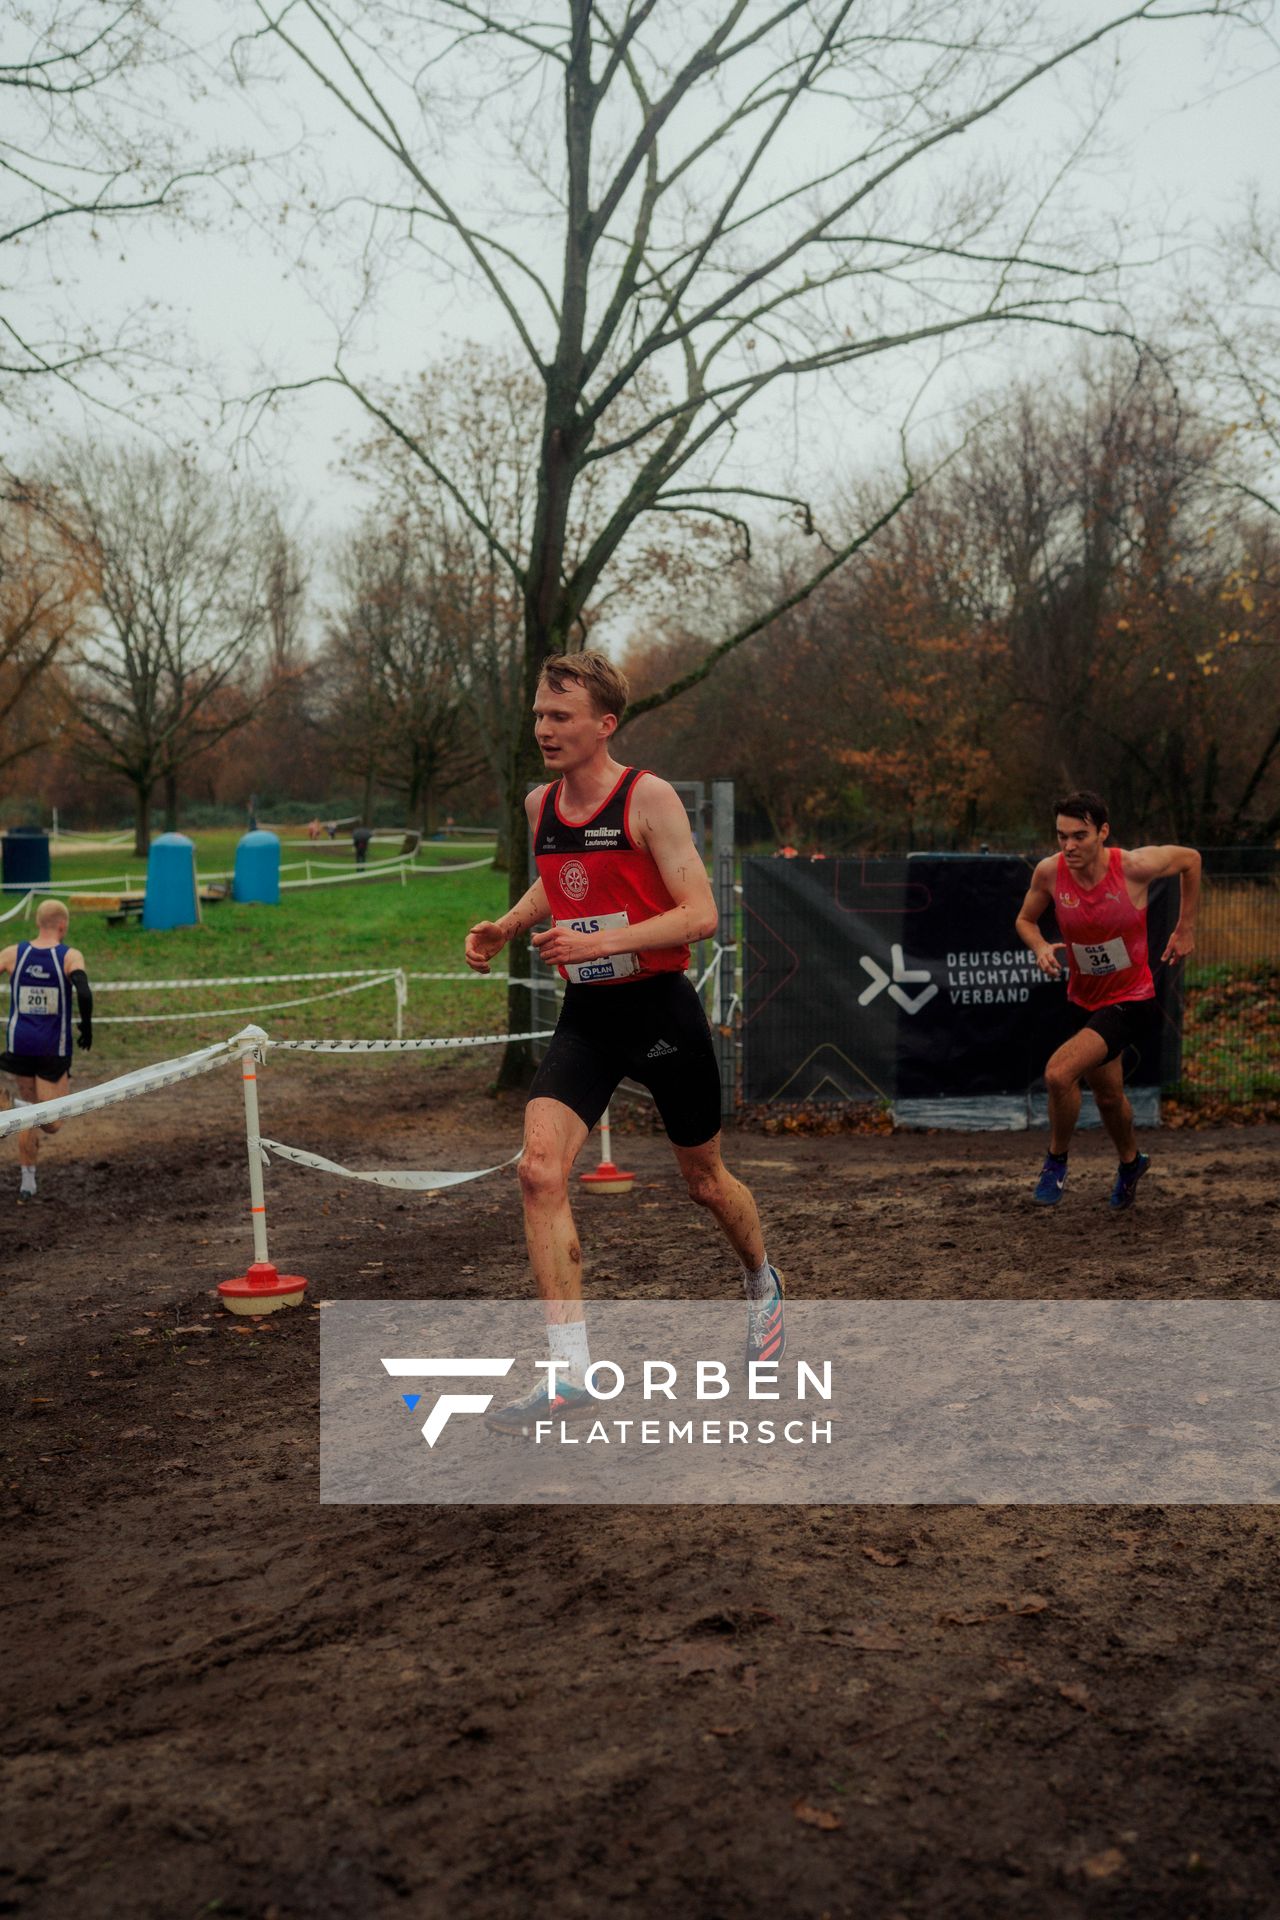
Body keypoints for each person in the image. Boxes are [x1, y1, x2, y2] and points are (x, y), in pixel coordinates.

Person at [464, 651, 784, 1435]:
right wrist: (510, 924)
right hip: (591, 1016)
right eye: (539, 714)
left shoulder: (650, 797)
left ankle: (763, 1283)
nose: (544, 727)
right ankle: (570, 1374)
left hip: (660, 1009)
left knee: (706, 1183)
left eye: (560, 716)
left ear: (604, 725)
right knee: (539, 1170)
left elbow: (701, 914)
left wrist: (600, 943)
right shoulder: (541, 804)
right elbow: (563, 879)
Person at [1015, 790, 1199, 1210]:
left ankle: (1056, 1161)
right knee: (1109, 1097)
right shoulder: (1050, 872)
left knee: (1060, 1074)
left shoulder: (1132, 866)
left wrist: (1185, 926)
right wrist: (1041, 945)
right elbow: (1025, 920)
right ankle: (1132, 1163)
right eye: (1061, 836)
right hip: (1085, 999)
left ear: (1103, 832)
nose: (1069, 846)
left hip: (1132, 998)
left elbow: (1191, 859)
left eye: (1079, 835)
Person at [0, 899, 93, 1204]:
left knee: (29, 1110)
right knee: (52, 1122)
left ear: (39, 923)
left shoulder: (14, 953)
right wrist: (87, 1026)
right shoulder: (69, 955)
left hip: (20, 1045)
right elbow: (84, 989)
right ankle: (15, 1108)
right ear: (63, 926)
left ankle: (28, 1181)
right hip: (52, 1050)